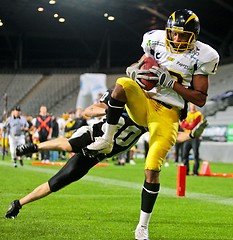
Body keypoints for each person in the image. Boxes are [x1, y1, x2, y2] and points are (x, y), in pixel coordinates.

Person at [84, 9, 219, 239]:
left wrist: (172, 85)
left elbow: (200, 99)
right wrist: (135, 69)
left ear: (193, 37)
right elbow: (140, 64)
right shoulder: (154, 39)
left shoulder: (204, 55)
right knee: (123, 83)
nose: (176, 39)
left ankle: (142, 227)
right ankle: (107, 138)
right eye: (173, 34)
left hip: (168, 112)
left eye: (183, 36)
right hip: (145, 101)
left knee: (152, 167)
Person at [5, 90, 207, 224]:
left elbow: (172, 135)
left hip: (100, 153)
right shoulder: (124, 95)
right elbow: (89, 110)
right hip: (96, 134)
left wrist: (191, 135)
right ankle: (35, 147)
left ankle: (18, 204)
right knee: (68, 145)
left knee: (60, 180)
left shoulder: (155, 115)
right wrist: (112, 110)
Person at [180, 103, 204, 175]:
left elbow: (193, 126)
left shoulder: (198, 114)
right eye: (191, 104)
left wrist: (186, 125)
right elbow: (182, 125)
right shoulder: (187, 114)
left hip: (195, 137)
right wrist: (188, 125)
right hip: (187, 136)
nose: (192, 106)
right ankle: (186, 171)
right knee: (184, 155)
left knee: (195, 155)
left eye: (194, 104)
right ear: (189, 105)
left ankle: (195, 171)